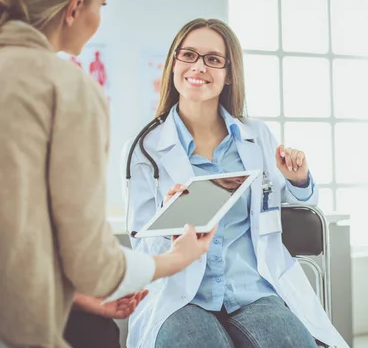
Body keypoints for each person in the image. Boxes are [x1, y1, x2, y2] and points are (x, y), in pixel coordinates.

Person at [0, 0, 216, 348]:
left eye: (213, 60)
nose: (199, 68)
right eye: (101, 4)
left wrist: (79, 296)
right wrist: (178, 258)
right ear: (74, 8)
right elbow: (92, 265)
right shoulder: (67, 88)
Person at [123, 18, 348, 348]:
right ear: (174, 63)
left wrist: (298, 179)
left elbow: (295, 203)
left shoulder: (257, 137)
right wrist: (171, 227)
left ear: (229, 74)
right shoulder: (143, 149)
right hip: (179, 296)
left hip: (252, 291)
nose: (199, 66)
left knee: (291, 341)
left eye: (213, 59)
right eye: (188, 55)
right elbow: (142, 243)